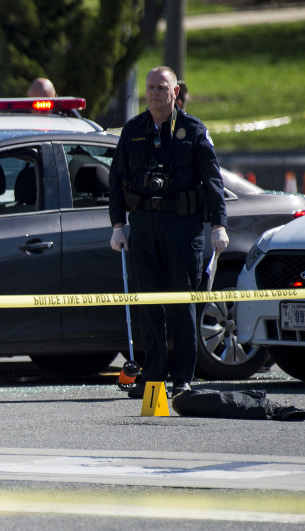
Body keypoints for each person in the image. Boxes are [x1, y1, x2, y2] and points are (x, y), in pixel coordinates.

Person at [108, 66, 229, 399]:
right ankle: (154, 374)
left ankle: (182, 377)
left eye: (162, 88)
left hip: (182, 225)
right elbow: (117, 180)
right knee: (150, 303)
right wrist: (118, 225)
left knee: (182, 302)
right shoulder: (133, 130)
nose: (154, 93)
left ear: (175, 92)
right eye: (150, 88)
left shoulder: (193, 130)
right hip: (144, 226)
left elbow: (213, 180)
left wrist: (219, 224)